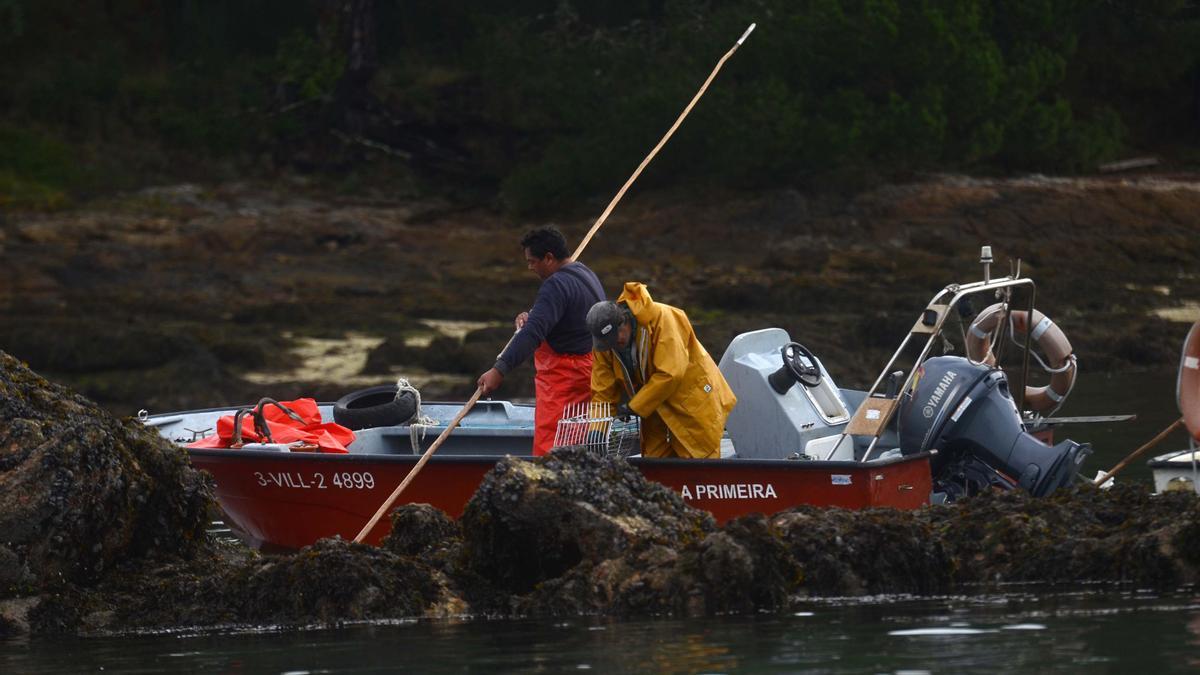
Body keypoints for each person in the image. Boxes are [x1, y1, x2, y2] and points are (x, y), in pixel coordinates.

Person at [477, 226, 605, 455]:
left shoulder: (555, 285)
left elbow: (533, 333)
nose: (530, 267)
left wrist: (499, 370)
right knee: (578, 440)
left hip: (565, 379)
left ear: (549, 257)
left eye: (533, 261)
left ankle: (551, 489)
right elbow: (560, 318)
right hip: (590, 371)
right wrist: (533, 316)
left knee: (552, 445)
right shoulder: (586, 273)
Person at [586, 282, 736, 459]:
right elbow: (602, 393)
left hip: (691, 403)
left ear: (624, 321)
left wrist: (634, 406)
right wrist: (597, 431)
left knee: (699, 467)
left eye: (615, 337)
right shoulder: (606, 346)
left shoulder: (664, 318)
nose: (614, 344)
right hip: (652, 410)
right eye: (607, 342)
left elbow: (670, 374)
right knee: (654, 467)